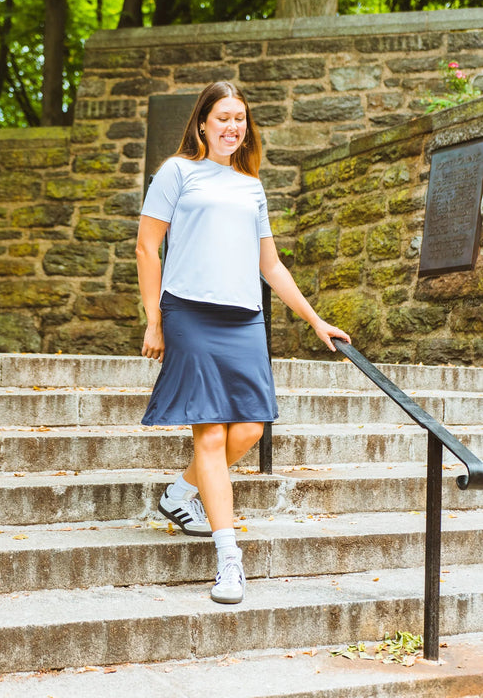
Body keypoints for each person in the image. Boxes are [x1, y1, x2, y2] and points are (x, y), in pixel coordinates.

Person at [136, 81, 350, 605]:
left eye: (241, 119)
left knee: (250, 429)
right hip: (189, 312)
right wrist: (153, 320)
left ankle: (181, 493)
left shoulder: (251, 185)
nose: (233, 126)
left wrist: (315, 320)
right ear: (203, 123)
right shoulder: (176, 172)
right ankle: (228, 557)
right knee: (210, 436)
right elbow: (147, 246)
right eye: (223, 117)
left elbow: (269, 264)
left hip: (244, 320)